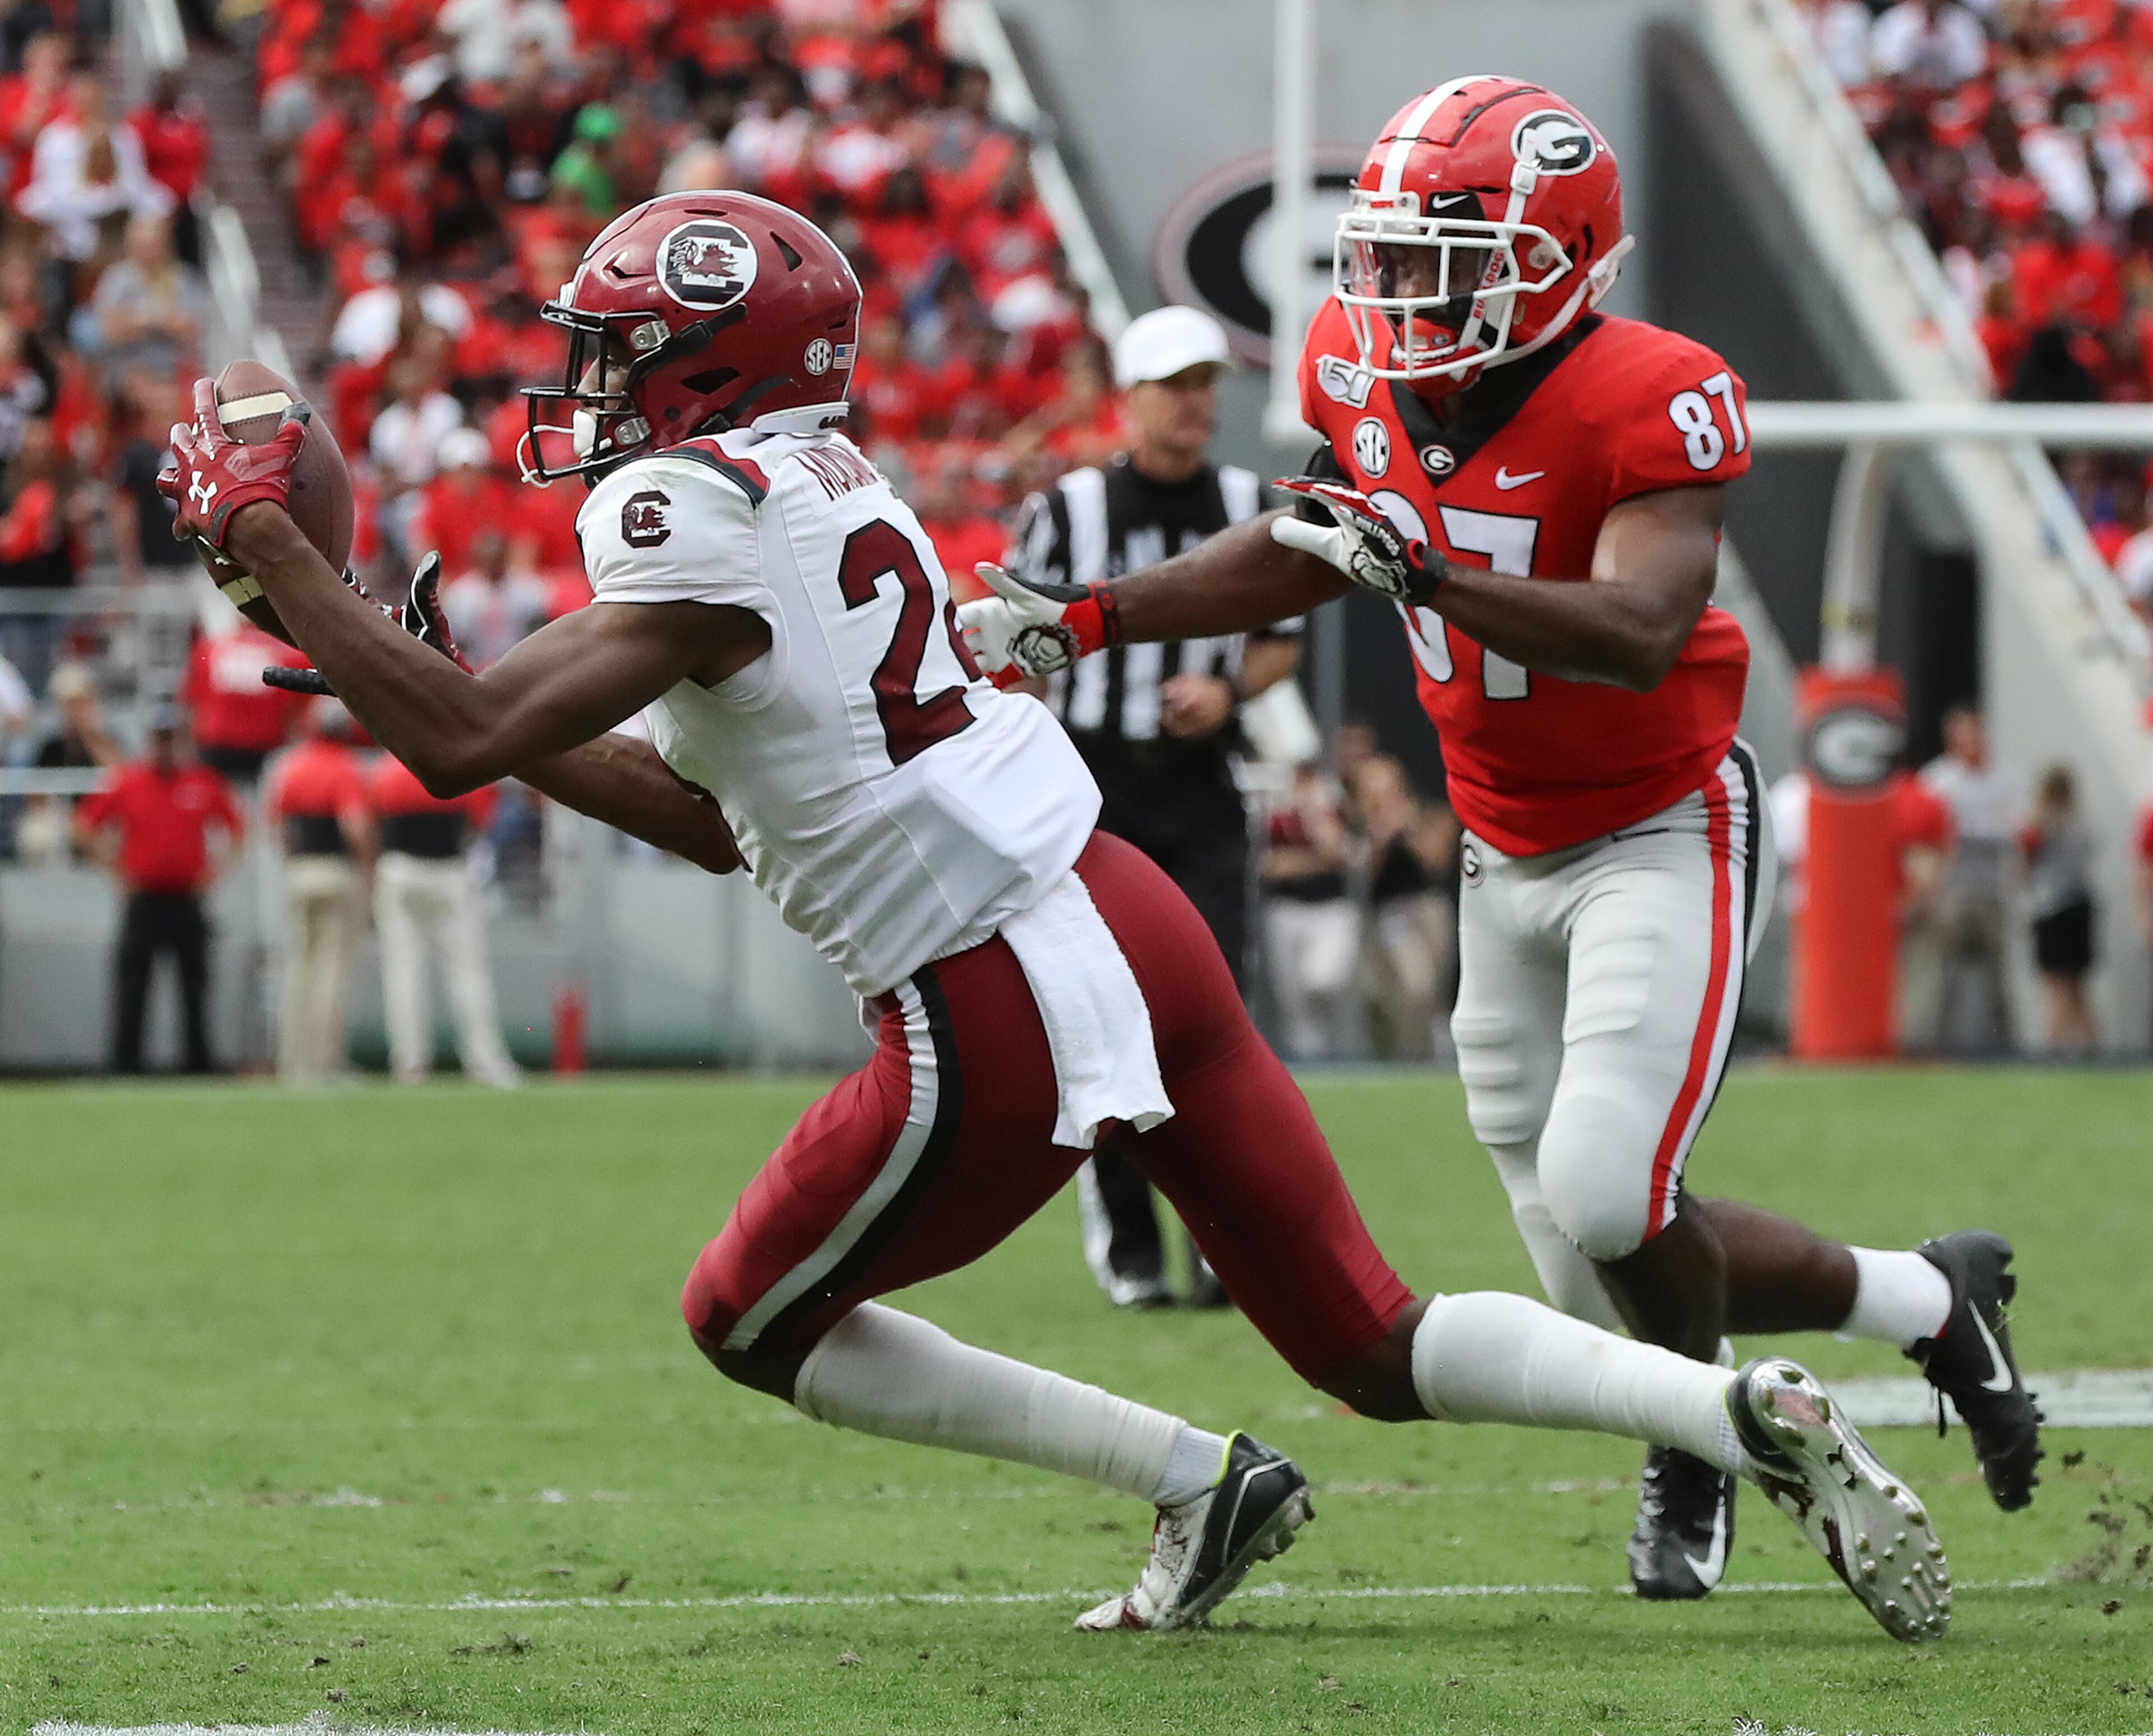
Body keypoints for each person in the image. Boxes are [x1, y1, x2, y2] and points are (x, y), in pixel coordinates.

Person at [162, 189, 1948, 1644]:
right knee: (1366, 1341)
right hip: (1121, 911)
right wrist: (392, 650)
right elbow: (700, 820)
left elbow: (463, 748)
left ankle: (1192, 1477)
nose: (601, 390)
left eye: (628, 356)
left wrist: (286, 568)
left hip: (981, 994)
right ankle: (1729, 1410)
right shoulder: (824, 485)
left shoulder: (678, 511)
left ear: (712, 369)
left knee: (747, 1318)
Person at [959, 80, 2040, 1603]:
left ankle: (1695, 1445)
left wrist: (1431, 574)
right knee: (1583, 1261)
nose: (1404, 297)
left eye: (1446, 263)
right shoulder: (1361, 366)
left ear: (1559, 262)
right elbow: (1302, 547)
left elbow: (1643, 629)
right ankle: (1932, 1297)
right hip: (1496, 845)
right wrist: (1085, 616)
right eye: (1390, 260)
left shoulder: (1647, 388)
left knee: (1612, 1193)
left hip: (1660, 828)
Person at [1007, 303, 1298, 1309]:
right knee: (1103, 1019)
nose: (1195, 403)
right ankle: (1132, 1246)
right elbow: (1019, 648)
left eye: (1206, 384)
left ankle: (1222, 1241)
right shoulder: (1070, 507)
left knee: (1217, 1018)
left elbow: (1281, 635)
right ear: (1128, 398)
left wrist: (1229, 690)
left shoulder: (1241, 498)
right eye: (1174, 386)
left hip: (1203, 786)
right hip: (1096, 787)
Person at [75, 706, 242, 1073]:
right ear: (151, 741)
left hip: (186, 900)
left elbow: (237, 829)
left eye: (171, 739)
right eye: (160, 739)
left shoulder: (202, 782)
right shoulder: (129, 782)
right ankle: (126, 1064)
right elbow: (86, 825)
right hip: (144, 900)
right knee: (133, 987)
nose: (165, 747)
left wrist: (214, 873)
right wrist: (115, 870)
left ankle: (198, 1065)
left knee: (194, 988)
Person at [367, 747, 520, 1090]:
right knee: (467, 970)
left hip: (399, 870)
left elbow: (368, 824)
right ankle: (484, 1060)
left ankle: (410, 1063)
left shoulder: (382, 772)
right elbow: (481, 822)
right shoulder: (456, 765)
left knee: (403, 971)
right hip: (448, 871)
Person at [264, 699, 374, 1082]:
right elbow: (355, 826)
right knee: (332, 973)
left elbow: (276, 826)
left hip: (299, 872)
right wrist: (368, 872)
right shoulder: (345, 766)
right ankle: (325, 1063)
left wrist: (291, 864)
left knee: (298, 971)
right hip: (336, 870)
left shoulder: (290, 766)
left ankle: (292, 1063)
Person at [1913, 706, 2026, 1054]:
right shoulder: (1938, 780)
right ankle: (1938, 1047)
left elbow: (2018, 830)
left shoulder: (2007, 778)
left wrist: (1970, 832)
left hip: (1991, 888)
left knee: (1997, 977)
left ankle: (2003, 1049)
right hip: (1952, 890)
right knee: (1943, 975)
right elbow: (1930, 836)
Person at [1355, 754, 1459, 1061]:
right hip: (1382, 915)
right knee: (1380, 996)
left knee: (1420, 988)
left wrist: (1409, 829)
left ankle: (1423, 1057)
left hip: (1424, 910)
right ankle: (1391, 1059)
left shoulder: (1425, 814)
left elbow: (1437, 862)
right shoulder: (1362, 824)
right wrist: (1379, 839)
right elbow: (1361, 878)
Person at [1259, 761, 1358, 1062]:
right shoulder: (1277, 816)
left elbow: (1340, 852)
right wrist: (1315, 862)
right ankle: (1309, 1065)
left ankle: (1342, 1053)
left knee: (1322, 979)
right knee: (1293, 1000)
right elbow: (1269, 867)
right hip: (1287, 910)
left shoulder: (1333, 811)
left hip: (1331, 909)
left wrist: (1313, 814)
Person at [2023, 764, 2097, 1053]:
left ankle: (2053, 1052)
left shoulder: (2041, 827)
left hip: (2053, 910)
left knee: (2056, 990)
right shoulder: (2083, 824)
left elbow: (2027, 869)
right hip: (2080, 909)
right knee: (2078, 992)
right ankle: (2093, 1050)